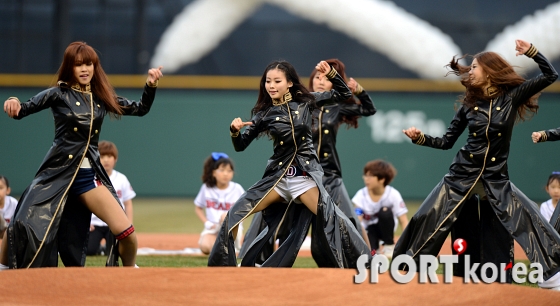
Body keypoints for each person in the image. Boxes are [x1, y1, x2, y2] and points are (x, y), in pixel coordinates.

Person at [394, 39, 560, 288]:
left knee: (529, 219)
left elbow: (551, 75)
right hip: (462, 175)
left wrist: (532, 53)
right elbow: (446, 141)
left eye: (474, 67)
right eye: (469, 67)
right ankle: (402, 269)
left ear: (489, 71)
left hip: (495, 178)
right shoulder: (468, 105)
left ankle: (550, 274)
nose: (470, 71)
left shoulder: (512, 97)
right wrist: (421, 139)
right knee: (427, 216)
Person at [1, 41, 163, 269]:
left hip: (87, 179)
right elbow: (23, 109)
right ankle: (3, 268)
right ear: (70, 67)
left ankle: (129, 274)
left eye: (89, 64)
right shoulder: (57, 94)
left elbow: (140, 109)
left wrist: (150, 85)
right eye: (79, 65)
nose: (85, 69)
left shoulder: (101, 97)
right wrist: (13, 101)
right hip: (55, 175)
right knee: (20, 224)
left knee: (127, 233)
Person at [208, 60, 370, 267]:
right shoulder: (264, 114)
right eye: (268, 81)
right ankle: (224, 269)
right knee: (233, 215)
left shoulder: (306, 101)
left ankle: (366, 263)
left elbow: (342, 93)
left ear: (290, 83)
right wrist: (234, 132)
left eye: (277, 81)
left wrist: (331, 74)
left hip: (304, 178)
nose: (271, 85)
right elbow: (240, 146)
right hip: (278, 178)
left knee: (335, 219)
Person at [87, 141, 136, 256]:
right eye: (102, 156)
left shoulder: (121, 179)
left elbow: (128, 203)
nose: (106, 160)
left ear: (115, 159)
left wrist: (129, 224)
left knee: (117, 251)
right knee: (89, 250)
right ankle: (100, 248)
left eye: (109, 156)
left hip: (115, 223)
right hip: (95, 224)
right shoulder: (90, 179)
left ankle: (107, 248)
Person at [352, 160, 408, 259]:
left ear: (382, 179)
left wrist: (406, 243)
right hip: (369, 232)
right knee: (371, 254)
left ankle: (388, 245)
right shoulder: (361, 194)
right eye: (365, 175)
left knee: (385, 211)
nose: (366, 179)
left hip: (386, 230)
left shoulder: (393, 194)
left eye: (370, 176)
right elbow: (358, 220)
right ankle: (374, 249)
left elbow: (403, 221)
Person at [194, 152, 245, 255]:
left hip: (232, 229)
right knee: (205, 247)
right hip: (213, 228)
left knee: (225, 216)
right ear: (213, 173)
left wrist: (234, 219)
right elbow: (198, 207)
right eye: (222, 170)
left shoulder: (237, 188)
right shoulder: (207, 188)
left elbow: (246, 208)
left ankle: (235, 246)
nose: (226, 174)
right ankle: (223, 249)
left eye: (229, 171)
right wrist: (206, 222)